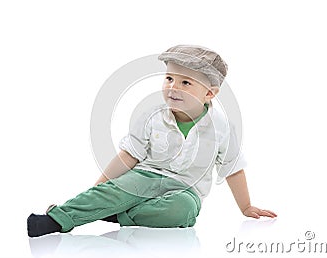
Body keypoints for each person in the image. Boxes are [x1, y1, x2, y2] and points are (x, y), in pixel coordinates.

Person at [27, 44, 277, 237]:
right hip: (145, 175)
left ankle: (120, 215)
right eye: (169, 78)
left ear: (209, 93)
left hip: (185, 188)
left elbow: (232, 169)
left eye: (186, 83)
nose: (173, 87)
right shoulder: (151, 116)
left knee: (183, 212)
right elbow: (129, 156)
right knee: (114, 191)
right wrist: (100, 187)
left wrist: (246, 207)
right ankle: (58, 219)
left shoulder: (222, 128)